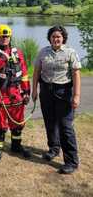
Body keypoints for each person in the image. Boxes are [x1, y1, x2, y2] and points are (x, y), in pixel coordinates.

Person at [32, 25, 81, 174]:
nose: (56, 39)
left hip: (63, 92)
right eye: (53, 36)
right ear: (50, 38)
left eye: (58, 36)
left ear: (63, 38)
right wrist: (34, 89)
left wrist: (76, 96)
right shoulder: (43, 52)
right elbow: (36, 72)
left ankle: (71, 161)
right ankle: (53, 148)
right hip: (46, 91)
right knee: (50, 122)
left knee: (65, 126)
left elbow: (76, 74)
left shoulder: (70, 52)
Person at [0, 24, 31, 161]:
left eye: (6, 36)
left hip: (15, 92)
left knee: (18, 120)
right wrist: (2, 58)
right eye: (1, 36)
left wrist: (26, 91)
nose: (4, 39)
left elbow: (23, 73)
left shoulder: (17, 53)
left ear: (10, 37)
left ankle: (16, 146)